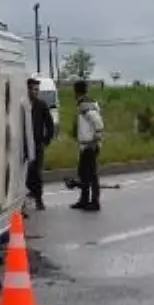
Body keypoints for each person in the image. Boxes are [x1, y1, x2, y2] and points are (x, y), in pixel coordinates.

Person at [71, 79, 104, 212]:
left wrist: (96, 138)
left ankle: (94, 202)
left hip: (90, 145)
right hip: (86, 145)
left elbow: (97, 122)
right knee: (84, 173)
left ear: (76, 91)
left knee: (91, 174)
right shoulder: (87, 103)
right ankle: (84, 200)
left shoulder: (85, 105)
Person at [25, 77, 56, 211]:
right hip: (23, 143)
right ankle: (27, 196)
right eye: (33, 89)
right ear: (27, 90)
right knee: (25, 173)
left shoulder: (41, 104)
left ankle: (39, 199)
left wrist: (46, 140)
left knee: (36, 172)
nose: (36, 92)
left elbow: (50, 124)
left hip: (37, 143)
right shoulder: (23, 104)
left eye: (38, 90)